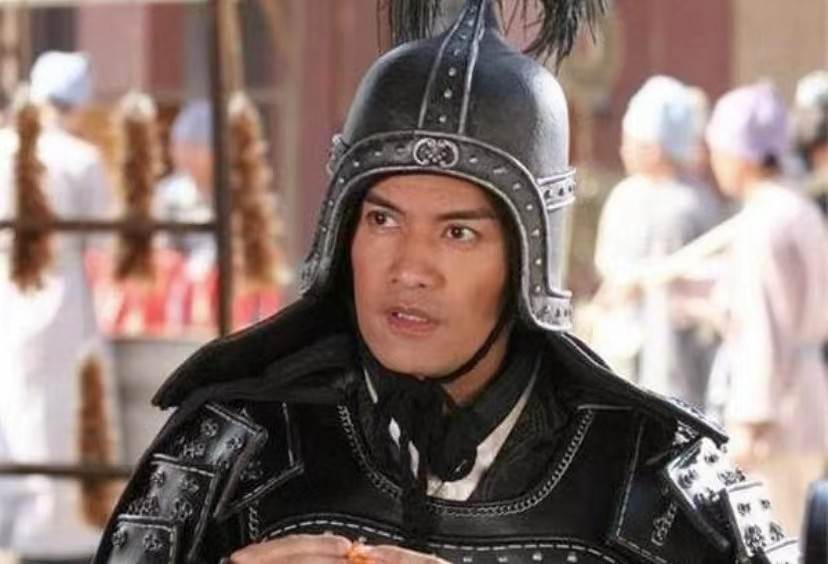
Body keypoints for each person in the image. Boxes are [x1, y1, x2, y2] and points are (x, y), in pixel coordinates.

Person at [94, 2, 797, 563]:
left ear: (525, 259)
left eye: (458, 233)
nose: (409, 269)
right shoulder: (232, 447)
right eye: (383, 220)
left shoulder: (656, 476)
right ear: (343, 233)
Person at [0, 51, 116, 563]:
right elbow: (105, 237)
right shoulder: (79, 158)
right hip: (61, 303)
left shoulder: (3, 149)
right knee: (65, 420)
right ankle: (63, 537)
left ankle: (17, 530)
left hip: (8, 297)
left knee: (17, 416)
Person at [703, 82, 828, 535]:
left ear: (743, 154)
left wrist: (751, 422)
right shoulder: (799, 209)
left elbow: (764, 325)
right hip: (807, 399)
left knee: (775, 544)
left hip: (774, 417)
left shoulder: (765, 223)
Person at [593, 76, 723, 408]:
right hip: (624, 344)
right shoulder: (626, 195)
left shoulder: (687, 205)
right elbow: (608, 267)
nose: (623, 149)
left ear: (654, 148)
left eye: (631, 142)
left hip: (674, 353)